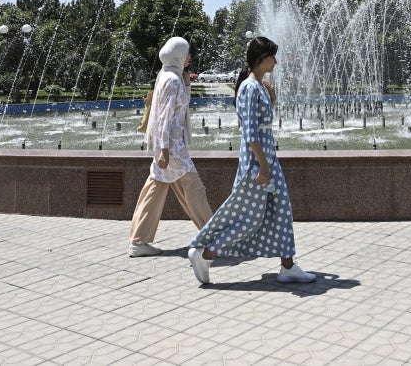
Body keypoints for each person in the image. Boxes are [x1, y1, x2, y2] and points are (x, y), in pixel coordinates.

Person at [187, 36, 316, 284]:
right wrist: (264, 167)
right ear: (261, 58)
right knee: (249, 219)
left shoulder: (258, 86)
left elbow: (260, 126)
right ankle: (205, 253)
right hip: (257, 165)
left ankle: (288, 266)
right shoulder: (249, 88)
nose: (276, 62)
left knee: (280, 211)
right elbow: (250, 133)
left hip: (266, 160)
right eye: (272, 57)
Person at [127, 37, 213, 257]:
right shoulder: (171, 80)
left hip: (168, 144)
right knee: (195, 190)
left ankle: (139, 241)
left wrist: (186, 83)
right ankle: (213, 239)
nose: (190, 56)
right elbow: (164, 116)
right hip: (172, 146)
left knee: (155, 189)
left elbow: (177, 108)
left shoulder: (168, 76)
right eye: (187, 52)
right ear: (178, 54)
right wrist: (164, 148)